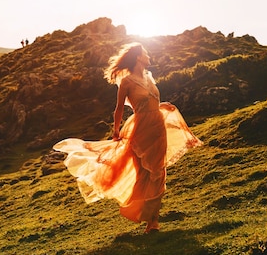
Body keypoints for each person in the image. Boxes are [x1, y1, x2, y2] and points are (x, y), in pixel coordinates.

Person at [53, 42, 202, 233]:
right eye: (145, 54)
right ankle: (143, 214)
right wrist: (115, 131)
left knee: (159, 171)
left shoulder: (149, 77)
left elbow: (152, 101)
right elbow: (119, 109)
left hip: (157, 126)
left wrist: (163, 105)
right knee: (144, 173)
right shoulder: (127, 82)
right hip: (140, 129)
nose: (149, 56)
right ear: (138, 57)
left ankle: (152, 221)